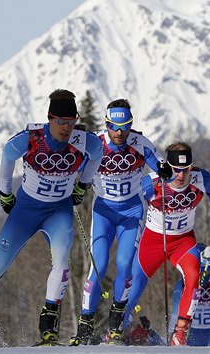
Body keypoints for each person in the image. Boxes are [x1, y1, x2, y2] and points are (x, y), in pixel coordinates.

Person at [0, 89, 103, 348]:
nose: (66, 128)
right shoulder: (31, 138)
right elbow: (7, 154)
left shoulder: (86, 141)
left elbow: (98, 155)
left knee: (62, 264)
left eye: (71, 122)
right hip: (25, 211)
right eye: (61, 122)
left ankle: (48, 327)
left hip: (58, 212)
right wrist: (5, 193)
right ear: (50, 118)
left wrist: (83, 185)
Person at [69, 99, 167, 345]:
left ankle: (115, 325)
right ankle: (85, 325)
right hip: (103, 211)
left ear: (131, 125)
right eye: (114, 126)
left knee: (125, 265)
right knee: (98, 266)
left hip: (132, 212)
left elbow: (160, 166)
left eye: (125, 126)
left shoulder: (140, 143)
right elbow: (74, 165)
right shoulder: (96, 144)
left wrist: (164, 172)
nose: (120, 132)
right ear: (107, 124)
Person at [134, 141, 210, 346]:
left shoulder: (200, 178)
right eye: (176, 170)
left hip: (183, 240)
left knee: (194, 275)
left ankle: (180, 332)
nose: (181, 176)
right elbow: (130, 202)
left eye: (186, 169)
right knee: (133, 285)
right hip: (153, 241)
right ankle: (120, 327)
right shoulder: (152, 182)